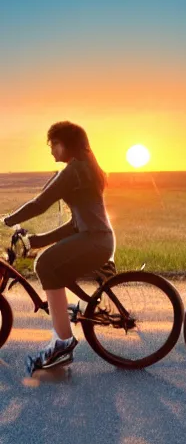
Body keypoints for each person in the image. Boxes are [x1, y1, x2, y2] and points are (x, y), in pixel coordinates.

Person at [1, 121, 115, 371]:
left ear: (66, 144)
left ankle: (63, 342)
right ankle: (72, 310)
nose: (51, 150)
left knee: (45, 263)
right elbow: (75, 224)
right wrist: (38, 239)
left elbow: (39, 204)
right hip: (95, 239)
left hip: (94, 241)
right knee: (49, 260)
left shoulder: (74, 170)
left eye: (53, 144)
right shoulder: (85, 168)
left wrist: (6, 220)